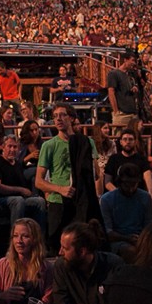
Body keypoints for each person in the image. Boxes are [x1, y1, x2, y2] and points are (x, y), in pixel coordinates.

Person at [35, 105, 100, 245]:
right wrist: (60, 189)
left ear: (71, 118)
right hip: (58, 201)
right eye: (55, 116)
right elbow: (39, 181)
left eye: (62, 115)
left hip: (81, 201)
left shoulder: (86, 142)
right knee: (57, 246)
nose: (58, 119)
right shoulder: (49, 145)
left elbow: (96, 173)